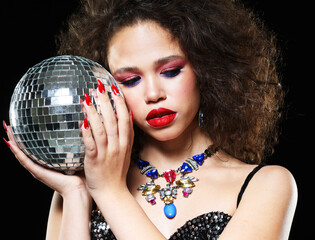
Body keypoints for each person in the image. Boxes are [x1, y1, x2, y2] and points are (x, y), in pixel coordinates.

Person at [3, 0, 298, 239]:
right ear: (107, 89)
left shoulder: (267, 185)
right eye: (130, 80)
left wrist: (110, 191)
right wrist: (77, 194)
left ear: (207, 69)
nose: (153, 94)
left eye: (170, 71)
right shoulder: (81, 186)